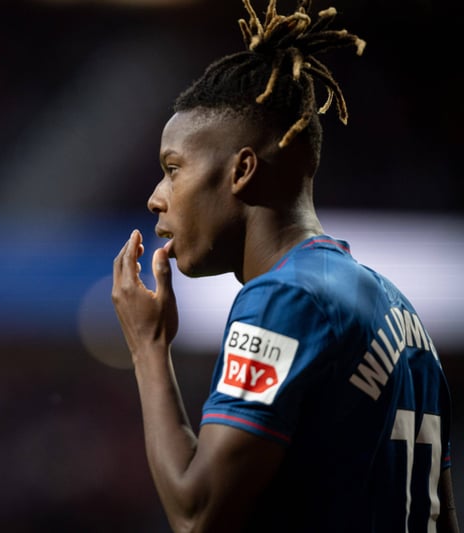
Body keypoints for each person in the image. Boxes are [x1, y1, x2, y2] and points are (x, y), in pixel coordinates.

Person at [111, 1, 459, 531]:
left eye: (173, 169)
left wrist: (147, 347)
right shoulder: (404, 314)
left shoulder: (285, 298)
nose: (157, 197)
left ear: (242, 171)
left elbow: (196, 513)